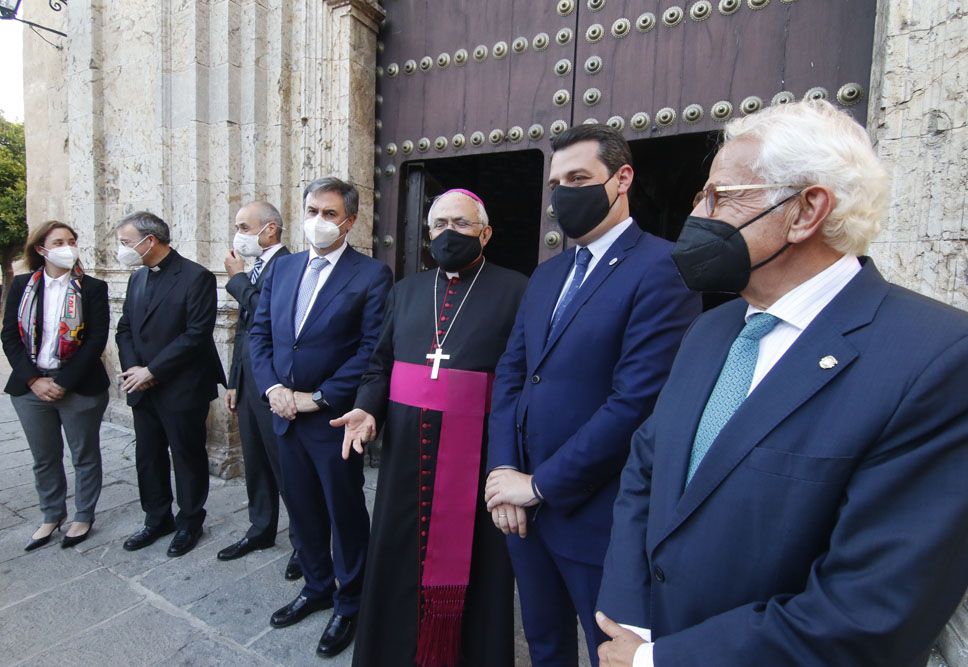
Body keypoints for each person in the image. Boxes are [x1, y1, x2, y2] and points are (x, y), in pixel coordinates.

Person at [595, 100, 968, 667]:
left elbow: (871, 610)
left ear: (806, 210)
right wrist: (628, 621)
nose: (699, 214)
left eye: (721, 196)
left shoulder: (936, 358)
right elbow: (647, 468)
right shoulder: (710, 329)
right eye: (702, 195)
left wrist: (663, 660)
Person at [485, 125, 701, 666]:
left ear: (621, 178)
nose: (564, 195)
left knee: (609, 651)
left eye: (578, 178)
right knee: (543, 642)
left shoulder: (664, 268)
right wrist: (503, 476)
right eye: (557, 183)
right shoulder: (547, 274)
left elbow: (637, 404)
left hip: (596, 516)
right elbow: (511, 376)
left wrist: (539, 486)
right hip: (522, 509)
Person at [334, 189, 527, 667]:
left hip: (476, 450)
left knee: (476, 564)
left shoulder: (518, 290)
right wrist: (367, 409)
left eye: (460, 224)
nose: (447, 234)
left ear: (485, 233)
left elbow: (521, 376)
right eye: (438, 224)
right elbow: (378, 365)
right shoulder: (407, 291)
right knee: (399, 554)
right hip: (405, 452)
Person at [248, 177, 392, 658]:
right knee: (303, 508)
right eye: (313, 210)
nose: (319, 221)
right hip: (283, 414)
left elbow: (371, 350)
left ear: (350, 221)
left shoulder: (371, 275)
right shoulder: (283, 268)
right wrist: (273, 389)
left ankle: (351, 601)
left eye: (330, 214)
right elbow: (260, 334)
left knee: (344, 511)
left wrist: (319, 397)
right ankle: (316, 586)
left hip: (332, 420)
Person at [115, 211, 226, 558]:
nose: (122, 250)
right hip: (142, 387)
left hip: (182, 387)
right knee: (147, 455)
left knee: (187, 456)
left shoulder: (197, 277)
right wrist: (134, 368)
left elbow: (195, 335)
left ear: (150, 241)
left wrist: (153, 371)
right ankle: (157, 517)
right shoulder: (137, 278)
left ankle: (190, 521)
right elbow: (124, 329)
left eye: (125, 242)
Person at [1, 221, 110, 551]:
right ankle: (51, 514)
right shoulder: (23, 286)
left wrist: (61, 382)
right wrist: (34, 380)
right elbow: (9, 335)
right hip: (31, 387)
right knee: (44, 457)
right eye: (59, 241)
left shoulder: (92, 288)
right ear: (41, 249)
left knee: (84, 455)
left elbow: (95, 341)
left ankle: (83, 515)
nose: (68, 246)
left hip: (77, 385)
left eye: (72, 240)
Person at [217, 201, 301, 579]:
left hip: (277, 384)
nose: (237, 233)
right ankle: (261, 527)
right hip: (249, 382)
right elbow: (244, 330)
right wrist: (234, 381)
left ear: (269, 230)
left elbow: (270, 315)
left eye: (243, 226)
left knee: (285, 466)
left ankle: (304, 540)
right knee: (256, 462)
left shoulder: (289, 266)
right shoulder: (255, 267)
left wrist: (236, 280)